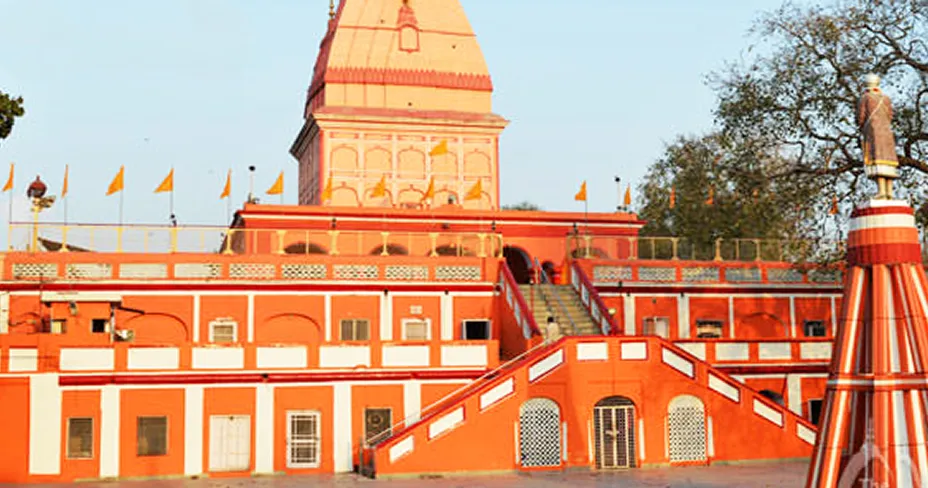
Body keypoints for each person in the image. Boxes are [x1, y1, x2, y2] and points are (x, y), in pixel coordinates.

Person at [857, 73, 899, 198]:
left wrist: (861, 127)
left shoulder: (865, 98)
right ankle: (889, 192)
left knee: (878, 159)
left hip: (873, 132)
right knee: (889, 161)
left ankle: (881, 191)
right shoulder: (886, 98)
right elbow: (890, 115)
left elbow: (861, 117)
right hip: (886, 132)